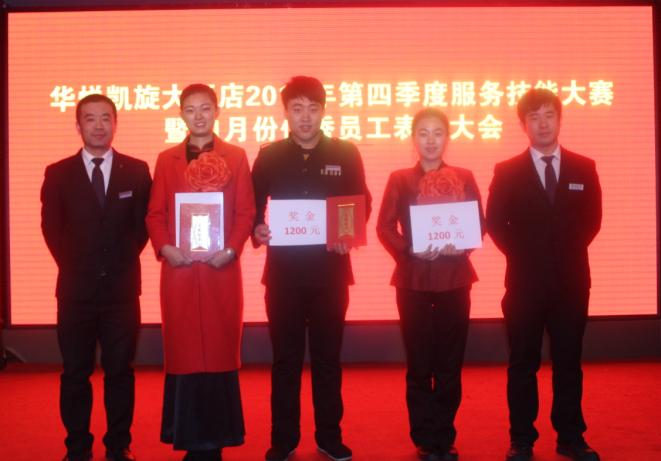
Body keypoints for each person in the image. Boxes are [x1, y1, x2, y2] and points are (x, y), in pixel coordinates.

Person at [252, 76, 371, 461]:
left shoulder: (345, 152)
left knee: (327, 359)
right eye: (297, 108)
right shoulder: (269, 155)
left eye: (313, 108)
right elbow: (252, 205)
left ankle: (329, 436)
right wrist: (257, 228)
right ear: (285, 112)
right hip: (283, 275)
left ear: (323, 111)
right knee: (285, 360)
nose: (305, 117)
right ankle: (283, 439)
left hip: (330, 273)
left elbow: (360, 201)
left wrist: (346, 234)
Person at [485, 88, 602, 461]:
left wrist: (561, 254)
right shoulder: (506, 171)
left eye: (549, 115)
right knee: (523, 363)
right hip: (524, 284)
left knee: (569, 363)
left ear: (560, 119)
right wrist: (525, 255)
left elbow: (592, 221)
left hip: (571, 282)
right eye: (534, 117)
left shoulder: (584, 167)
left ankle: (571, 437)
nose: (543, 123)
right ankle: (521, 439)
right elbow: (494, 223)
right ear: (523, 125)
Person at [145, 83, 255, 461]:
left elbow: (245, 213)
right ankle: (189, 439)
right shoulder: (167, 160)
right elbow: (155, 214)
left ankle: (217, 441)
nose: (199, 116)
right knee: (186, 353)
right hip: (179, 271)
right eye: (190, 109)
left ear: (217, 111)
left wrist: (231, 250)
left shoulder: (236, 157)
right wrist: (165, 248)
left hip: (219, 272)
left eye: (205, 108)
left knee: (219, 353)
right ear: (181, 115)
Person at [41, 94, 152, 461]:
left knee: (120, 372)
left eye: (106, 118)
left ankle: (118, 445)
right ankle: (77, 447)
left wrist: (116, 261)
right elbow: (51, 229)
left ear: (116, 123)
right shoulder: (58, 173)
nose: (99, 125)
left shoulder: (137, 171)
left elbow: (142, 228)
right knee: (75, 373)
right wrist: (80, 264)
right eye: (90, 118)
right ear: (78, 126)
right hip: (76, 292)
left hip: (121, 291)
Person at [376, 108, 484, 461]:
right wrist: (410, 249)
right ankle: (424, 437)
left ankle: (445, 436)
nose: (431, 140)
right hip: (414, 281)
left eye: (438, 132)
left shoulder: (464, 176)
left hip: (455, 279)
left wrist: (462, 244)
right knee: (420, 362)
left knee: (450, 363)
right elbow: (384, 226)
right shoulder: (400, 179)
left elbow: (478, 223)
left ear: (448, 137)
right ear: (413, 138)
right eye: (423, 133)